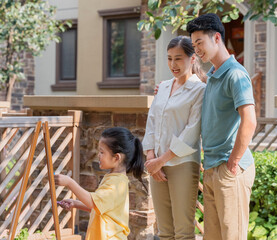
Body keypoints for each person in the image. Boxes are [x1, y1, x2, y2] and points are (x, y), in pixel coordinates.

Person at [187, 13, 257, 240]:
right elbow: (199, 79)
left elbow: (250, 120)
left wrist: (233, 162)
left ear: (217, 38)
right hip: (212, 167)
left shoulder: (236, 75)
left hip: (230, 169)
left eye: (200, 43)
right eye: (194, 44)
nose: (197, 50)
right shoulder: (215, 75)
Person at [142, 36, 206, 240]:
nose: (173, 64)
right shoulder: (163, 87)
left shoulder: (200, 90)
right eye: (169, 59)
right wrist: (152, 158)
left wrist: (160, 161)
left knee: (183, 232)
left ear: (192, 58)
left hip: (182, 165)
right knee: (164, 232)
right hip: (157, 165)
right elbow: (151, 121)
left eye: (178, 59)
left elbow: (192, 131)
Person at [54, 127, 144, 240]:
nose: (98, 155)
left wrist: (69, 182)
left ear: (116, 157)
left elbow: (93, 202)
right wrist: (75, 204)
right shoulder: (115, 179)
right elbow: (102, 207)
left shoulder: (115, 184)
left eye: (102, 152)